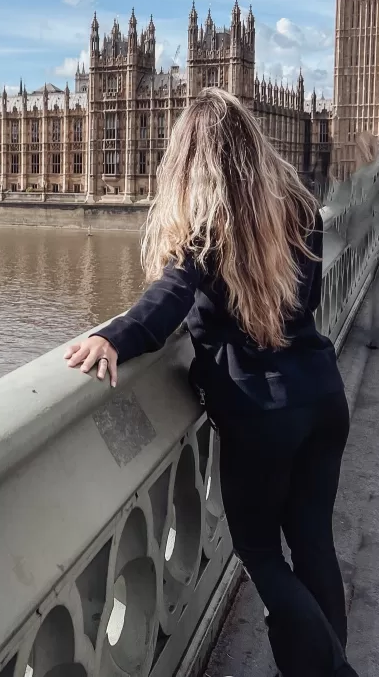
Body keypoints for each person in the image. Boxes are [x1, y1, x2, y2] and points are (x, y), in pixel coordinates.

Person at [65, 89, 357, 677]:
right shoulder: (299, 208)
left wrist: (114, 338)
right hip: (324, 396)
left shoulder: (208, 224)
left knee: (260, 554)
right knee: (313, 542)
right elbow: (305, 305)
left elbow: (169, 296)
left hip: (261, 412)